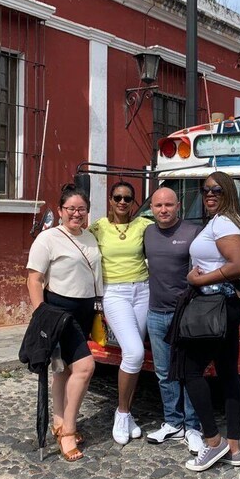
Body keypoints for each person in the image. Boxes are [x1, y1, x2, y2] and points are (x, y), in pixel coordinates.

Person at [182, 171, 240, 472]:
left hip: (215, 304)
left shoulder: (224, 222)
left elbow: (239, 265)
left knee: (189, 370)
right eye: (205, 190)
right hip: (226, 305)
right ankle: (234, 449)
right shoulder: (226, 221)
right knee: (227, 372)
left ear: (228, 194)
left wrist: (197, 279)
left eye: (216, 190)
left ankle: (213, 442)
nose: (209, 195)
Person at [26, 183, 102, 462]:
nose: (76, 214)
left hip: (85, 312)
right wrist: (40, 315)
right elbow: (34, 278)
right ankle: (69, 430)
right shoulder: (48, 239)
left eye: (81, 209)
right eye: (70, 208)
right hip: (59, 314)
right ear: (60, 211)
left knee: (63, 370)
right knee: (85, 366)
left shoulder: (90, 238)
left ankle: (58, 421)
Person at [89, 181, 153, 445]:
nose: (123, 202)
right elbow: (74, 241)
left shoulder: (143, 226)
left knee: (132, 355)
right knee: (136, 352)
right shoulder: (98, 228)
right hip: (114, 293)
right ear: (111, 200)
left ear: (134, 202)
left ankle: (128, 416)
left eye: (128, 198)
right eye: (118, 197)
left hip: (143, 291)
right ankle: (122, 412)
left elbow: (170, 231)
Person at [143, 187, 204, 454]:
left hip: (186, 314)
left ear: (179, 205)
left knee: (190, 372)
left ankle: (193, 427)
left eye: (168, 205)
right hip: (155, 313)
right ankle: (173, 423)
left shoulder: (193, 233)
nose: (163, 210)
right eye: (158, 205)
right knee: (164, 373)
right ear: (152, 208)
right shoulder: (146, 232)